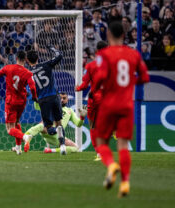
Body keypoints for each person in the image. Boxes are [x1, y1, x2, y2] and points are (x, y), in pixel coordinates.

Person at [92, 21, 149, 197]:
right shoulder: (134, 54)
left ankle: (110, 164)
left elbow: (100, 78)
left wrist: (96, 89)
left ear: (108, 35)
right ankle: (125, 183)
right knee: (123, 145)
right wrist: (131, 82)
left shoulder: (103, 54)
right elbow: (145, 77)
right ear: (124, 35)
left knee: (101, 142)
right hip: (127, 104)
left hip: (108, 104)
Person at [0, 51, 37, 155]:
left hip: (11, 101)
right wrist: (34, 97)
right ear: (25, 60)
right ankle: (18, 147)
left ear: (16, 58)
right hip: (21, 101)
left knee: (10, 129)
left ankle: (25, 137)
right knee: (16, 123)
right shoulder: (28, 73)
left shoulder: (8, 68)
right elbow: (33, 87)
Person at [26, 46, 67, 155]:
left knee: (48, 127)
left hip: (43, 100)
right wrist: (52, 48)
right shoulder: (46, 64)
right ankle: (62, 145)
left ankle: (52, 130)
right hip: (54, 96)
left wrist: (34, 98)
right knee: (59, 122)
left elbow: (29, 89)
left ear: (27, 60)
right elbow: (59, 56)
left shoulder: (28, 74)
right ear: (38, 57)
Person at [22, 92, 87, 154]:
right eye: (60, 98)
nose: (62, 100)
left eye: (64, 98)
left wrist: (82, 117)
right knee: (41, 125)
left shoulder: (70, 111)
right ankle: (26, 138)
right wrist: (36, 99)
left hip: (58, 136)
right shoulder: (52, 106)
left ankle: (51, 150)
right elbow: (37, 107)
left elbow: (78, 124)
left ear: (67, 100)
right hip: (48, 130)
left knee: (76, 148)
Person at [75, 40, 108, 161]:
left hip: (95, 100)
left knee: (93, 126)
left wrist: (77, 88)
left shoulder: (90, 66)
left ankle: (99, 153)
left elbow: (84, 85)